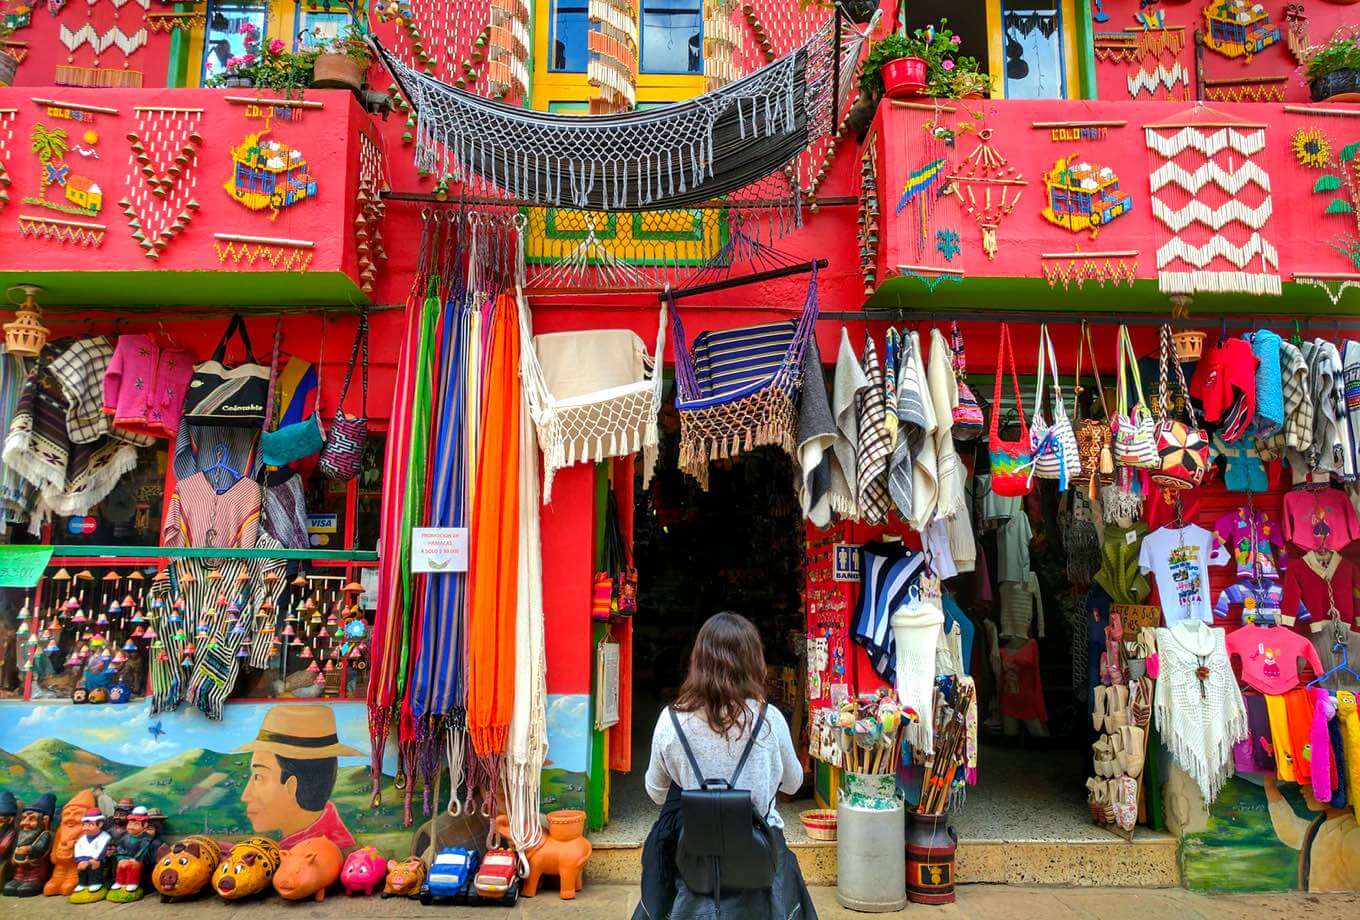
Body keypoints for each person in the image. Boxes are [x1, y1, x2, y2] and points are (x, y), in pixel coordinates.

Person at [635, 612, 814, 920]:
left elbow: (656, 792)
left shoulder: (671, 721)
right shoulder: (769, 720)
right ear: (753, 661)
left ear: (698, 661)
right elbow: (793, 784)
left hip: (693, 857)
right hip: (761, 854)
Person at [237, 703, 362, 851]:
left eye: (259, 777)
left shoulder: (318, 858)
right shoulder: (300, 847)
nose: (245, 796)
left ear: (291, 786)